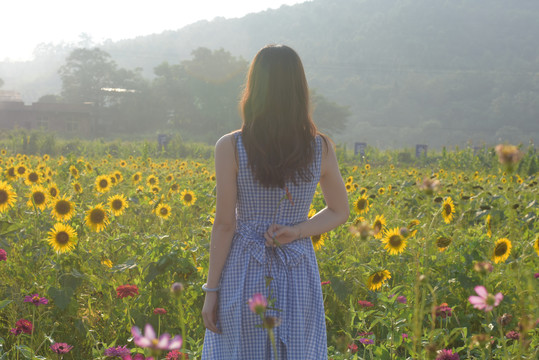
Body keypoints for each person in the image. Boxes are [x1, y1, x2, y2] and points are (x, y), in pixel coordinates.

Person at [201, 44, 349, 359]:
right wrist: (297, 231)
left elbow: (226, 224)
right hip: (297, 270)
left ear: (254, 89)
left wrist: (211, 292)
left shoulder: (231, 146)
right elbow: (339, 210)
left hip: (244, 270)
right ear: (300, 91)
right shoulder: (320, 148)